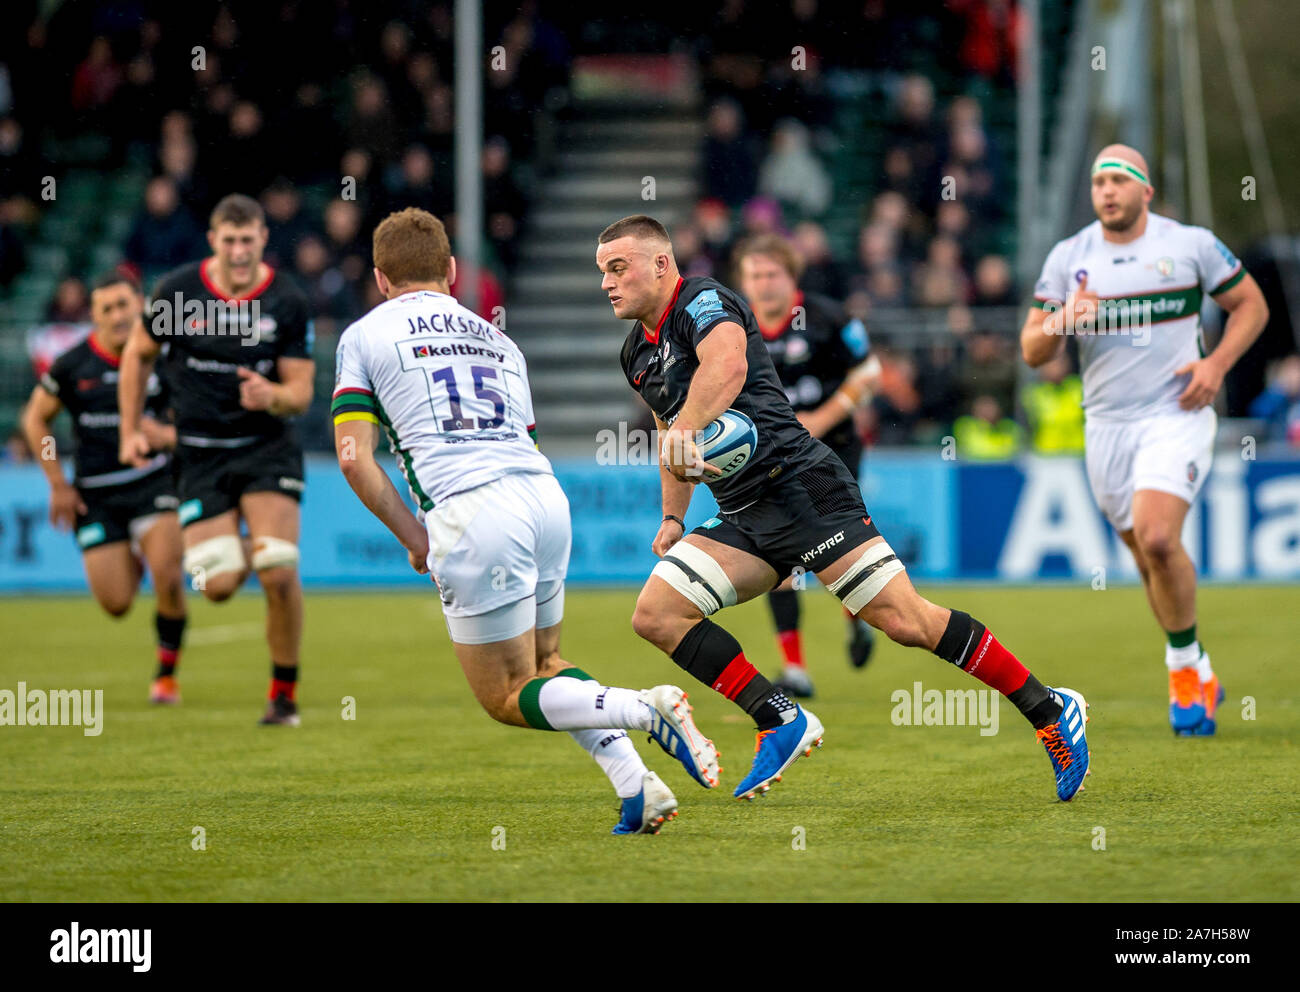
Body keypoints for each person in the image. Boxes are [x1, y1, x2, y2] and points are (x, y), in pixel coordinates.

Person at [598, 214, 1091, 803]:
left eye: (618, 267)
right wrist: (673, 518)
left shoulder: (704, 299)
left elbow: (726, 368)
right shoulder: (635, 354)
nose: (608, 282)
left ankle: (1049, 709)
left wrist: (685, 428)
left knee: (907, 622)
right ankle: (781, 718)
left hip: (806, 487)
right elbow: (668, 438)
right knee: (656, 614)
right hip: (744, 512)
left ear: (661, 264)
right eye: (603, 272)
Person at [332, 208, 719, 835]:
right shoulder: (498, 339)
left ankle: (644, 709)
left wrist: (416, 537)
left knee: (505, 695)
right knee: (547, 663)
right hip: (542, 497)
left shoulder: (366, 336)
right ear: (453, 272)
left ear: (380, 278)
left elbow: (354, 458)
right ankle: (636, 787)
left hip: (469, 510)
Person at [1021, 144, 1269, 735]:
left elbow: (1251, 306)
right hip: (1106, 425)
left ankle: (1182, 669)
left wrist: (1216, 367)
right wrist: (1062, 320)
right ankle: (1199, 664)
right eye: (1098, 181)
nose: (1106, 191)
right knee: (1145, 556)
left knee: (1159, 537)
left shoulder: (1189, 245)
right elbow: (1033, 350)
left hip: (1175, 412)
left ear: (1145, 190)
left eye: (1119, 180)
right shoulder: (1070, 256)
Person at [118, 193, 316, 726]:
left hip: (265, 449)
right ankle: (257, 542)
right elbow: (137, 356)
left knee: (278, 573)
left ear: (262, 239)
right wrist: (131, 428)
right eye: (228, 240)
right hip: (199, 455)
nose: (238, 250)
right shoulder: (176, 292)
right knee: (217, 585)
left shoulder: (287, 301)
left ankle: (283, 697)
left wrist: (271, 395)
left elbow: (301, 392)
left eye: (247, 239)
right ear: (212, 240)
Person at [22, 272, 187, 702]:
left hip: (154, 482)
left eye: (123, 305)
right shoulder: (74, 365)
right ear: (93, 316)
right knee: (116, 604)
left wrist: (166, 437)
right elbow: (35, 420)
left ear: (139, 307)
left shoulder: (164, 358)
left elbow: (191, 422)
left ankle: (166, 675)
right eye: (106, 309)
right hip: (96, 494)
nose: (117, 316)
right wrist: (57, 483)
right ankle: (131, 552)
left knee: (169, 575)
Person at [733, 233, 881, 697]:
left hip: (830, 452)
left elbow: (869, 374)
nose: (762, 284)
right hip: (768, 458)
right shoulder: (732, 326)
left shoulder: (827, 317)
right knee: (778, 556)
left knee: (835, 548)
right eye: (754, 276)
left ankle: (855, 617)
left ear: (791, 277)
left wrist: (821, 418)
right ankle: (795, 670)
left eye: (771, 275)